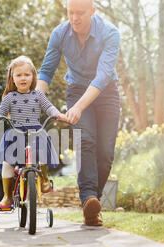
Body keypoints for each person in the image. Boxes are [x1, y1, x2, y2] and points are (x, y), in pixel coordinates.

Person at [36, 0, 121, 226]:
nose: (75, 18)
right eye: (71, 12)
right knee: (86, 140)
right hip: (76, 90)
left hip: (106, 93)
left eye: (80, 13)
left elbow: (103, 76)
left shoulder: (110, 33)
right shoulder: (60, 34)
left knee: (105, 154)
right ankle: (89, 202)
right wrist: (33, 101)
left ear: (93, 11)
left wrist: (79, 107)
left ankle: (93, 202)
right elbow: (46, 71)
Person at [0, 55, 67, 210]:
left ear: (33, 76)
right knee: (7, 163)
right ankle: (8, 197)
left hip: (35, 132)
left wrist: (58, 114)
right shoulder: (10, 97)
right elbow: (1, 111)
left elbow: (49, 107)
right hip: (15, 133)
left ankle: (44, 180)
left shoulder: (38, 95)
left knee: (42, 154)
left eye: (27, 74)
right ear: (12, 77)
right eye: (19, 75)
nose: (23, 78)